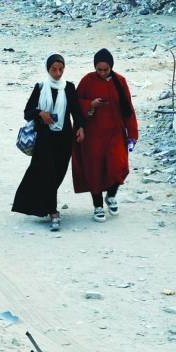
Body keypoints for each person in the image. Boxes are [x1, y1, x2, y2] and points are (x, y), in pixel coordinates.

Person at [12, 54, 86, 232]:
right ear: (48, 69)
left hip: (64, 139)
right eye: (54, 69)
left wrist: (81, 128)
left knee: (58, 174)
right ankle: (53, 212)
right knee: (48, 174)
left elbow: (76, 111)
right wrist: (40, 113)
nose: (58, 73)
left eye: (61, 69)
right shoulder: (40, 87)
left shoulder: (69, 88)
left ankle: (45, 205)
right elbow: (27, 112)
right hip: (44, 139)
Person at [72, 48, 139, 223]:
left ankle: (111, 195)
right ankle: (98, 206)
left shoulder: (120, 81)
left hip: (115, 133)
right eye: (99, 70)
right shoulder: (87, 80)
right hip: (93, 135)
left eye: (105, 70)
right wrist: (91, 105)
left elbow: (128, 109)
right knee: (94, 170)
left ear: (111, 67)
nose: (102, 73)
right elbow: (76, 104)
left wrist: (132, 134)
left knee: (119, 166)